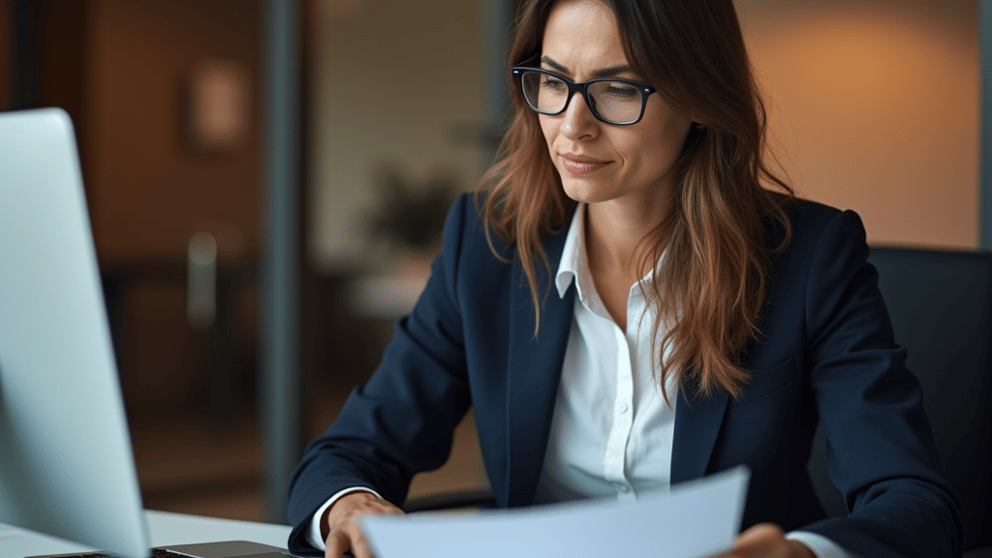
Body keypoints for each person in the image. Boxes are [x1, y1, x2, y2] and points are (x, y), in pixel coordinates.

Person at [287, 0, 964, 556]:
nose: (571, 126)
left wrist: (801, 554)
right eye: (553, 82)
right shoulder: (489, 246)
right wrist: (351, 505)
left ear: (699, 97)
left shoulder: (809, 257)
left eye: (616, 88)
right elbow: (351, 451)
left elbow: (913, 502)